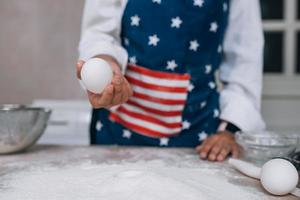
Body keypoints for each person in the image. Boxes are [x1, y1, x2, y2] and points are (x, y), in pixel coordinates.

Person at [77, 0, 265, 162]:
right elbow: (99, 33)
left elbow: (245, 65)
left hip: (199, 136)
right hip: (117, 129)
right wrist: (106, 65)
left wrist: (230, 130)